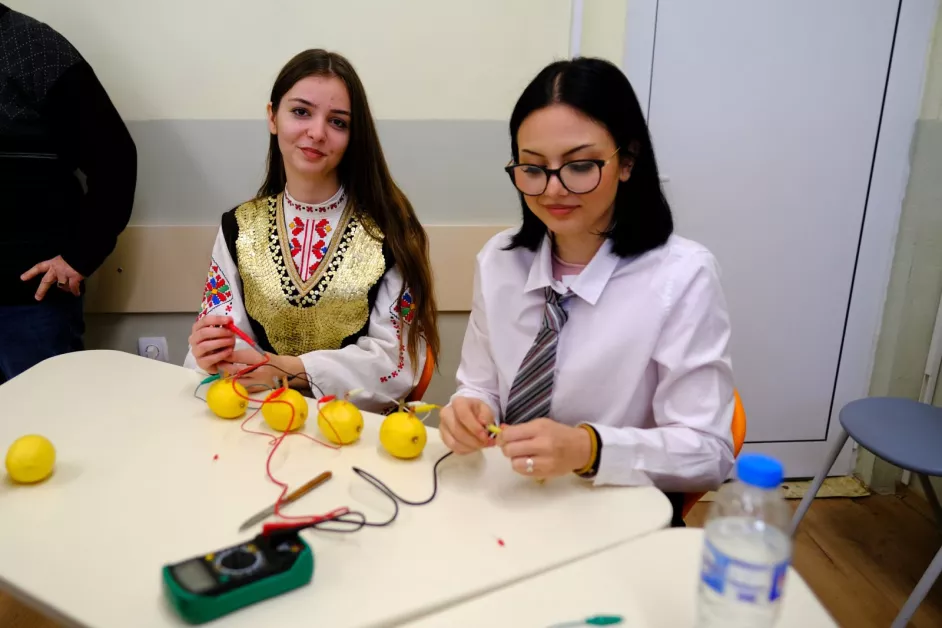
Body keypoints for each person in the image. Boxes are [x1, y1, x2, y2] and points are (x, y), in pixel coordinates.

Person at [439, 57, 736, 526]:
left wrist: (589, 448)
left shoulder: (682, 276)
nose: (553, 190)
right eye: (533, 168)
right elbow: (479, 384)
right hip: (508, 499)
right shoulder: (499, 261)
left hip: (614, 516)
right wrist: (468, 409)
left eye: (579, 166)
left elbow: (709, 451)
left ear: (627, 161)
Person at [183, 49, 439, 413]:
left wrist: (290, 370)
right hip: (257, 420)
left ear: (353, 136)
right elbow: (225, 342)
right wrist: (212, 351)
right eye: (301, 112)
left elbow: (397, 365)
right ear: (273, 116)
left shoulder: (391, 233)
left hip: (355, 427)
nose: (317, 133)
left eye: (338, 122)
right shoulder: (238, 228)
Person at [0, 4, 137, 384]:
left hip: (27, 302)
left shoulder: (36, 48)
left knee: (45, 414)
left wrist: (80, 256)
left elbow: (115, 160)